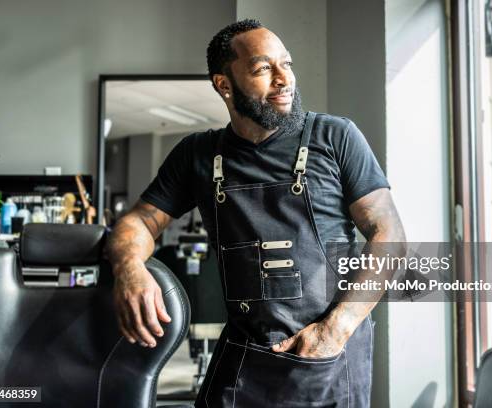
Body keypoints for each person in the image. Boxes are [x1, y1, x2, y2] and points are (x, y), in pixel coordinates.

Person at [106, 19, 405, 408]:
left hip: (328, 355)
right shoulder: (198, 154)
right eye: (264, 69)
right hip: (243, 355)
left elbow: (389, 234)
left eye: (287, 64)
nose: (284, 79)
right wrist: (130, 268)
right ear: (224, 84)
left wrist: (336, 328)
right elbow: (140, 221)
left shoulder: (336, 138)